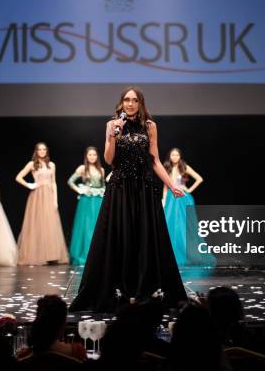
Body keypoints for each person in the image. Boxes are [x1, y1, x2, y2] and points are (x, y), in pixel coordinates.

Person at [69, 87, 187, 313]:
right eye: (127, 100)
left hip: (143, 188)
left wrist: (171, 186)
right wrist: (114, 134)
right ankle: (119, 287)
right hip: (120, 189)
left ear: (140, 103)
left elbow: (155, 161)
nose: (130, 104)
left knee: (144, 236)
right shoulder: (112, 125)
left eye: (135, 100)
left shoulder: (150, 126)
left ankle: (144, 287)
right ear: (121, 103)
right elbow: (109, 159)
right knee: (119, 235)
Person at [16, 142, 69, 265]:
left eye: (44, 149)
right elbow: (18, 177)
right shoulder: (32, 164)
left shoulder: (51, 165)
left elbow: (54, 183)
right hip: (37, 196)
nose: (42, 151)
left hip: (49, 196)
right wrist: (30, 185)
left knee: (50, 224)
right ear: (36, 151)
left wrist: (55, 200)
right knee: (37, 223)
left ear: (46, 151)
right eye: (39, 149)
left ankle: (51, 255)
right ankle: (37, 255)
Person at [162, 148, 214, 266]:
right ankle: (172, 255)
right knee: (170, 225)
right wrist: (164, 199)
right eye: (172, 155)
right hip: (171, 198)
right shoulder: (166, 167)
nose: (175, 157)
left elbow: (199, 178)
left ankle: (187, 254)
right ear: (169, 157)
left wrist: (188, 190)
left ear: (180, 156)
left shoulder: (184, 167)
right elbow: (165, 186)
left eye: (177, 155)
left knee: (185, 226)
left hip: (182, 198)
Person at [68, 147, 106, 265]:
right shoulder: (82, 168)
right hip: (86, 200)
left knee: (97, 226)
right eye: (90, 155)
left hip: (98, 200)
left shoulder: (101, 170)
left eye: (94, 155)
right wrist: (80, 190)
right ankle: (84, 254)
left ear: (97, 156)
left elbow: (103, 186)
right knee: (86, 226)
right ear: (86, 156)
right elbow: (70, 181)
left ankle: (98, 255)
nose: (92, 157)